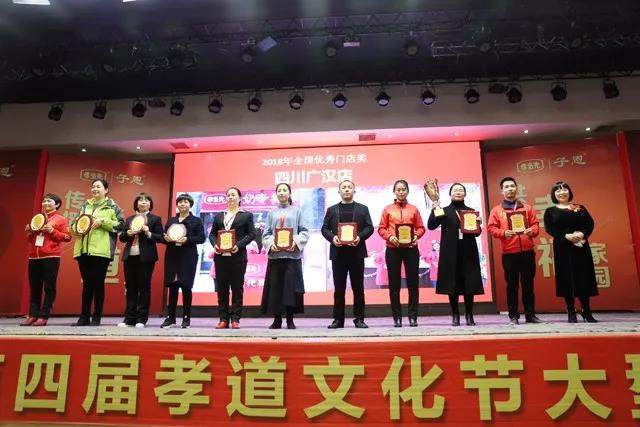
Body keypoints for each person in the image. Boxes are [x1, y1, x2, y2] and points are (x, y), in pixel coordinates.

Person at [427, 183, 484, 326]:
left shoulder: (471, 211)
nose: (458, 192)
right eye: (455, 190)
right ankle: (455, 314)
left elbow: (476, 233)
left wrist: (479, 224)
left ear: (465, 194)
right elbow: (431, 225)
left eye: (461, 190)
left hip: (468, 252)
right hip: (449, 252)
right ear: (450, 194)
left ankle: (469, 314)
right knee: (452, 283)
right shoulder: (444, 211)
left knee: (469, 283)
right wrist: (434, 209)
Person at [487, 177, 542, 325]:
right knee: (512, 285)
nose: (510, 189)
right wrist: (503, 233)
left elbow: (536, 225)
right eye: (506, 187)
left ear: (516, 188)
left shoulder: (527, 208)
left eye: (512, 186)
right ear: (502, 191)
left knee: (528, 285)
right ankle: (513, 315)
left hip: (527, 252)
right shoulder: (497, 210)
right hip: (509, 253)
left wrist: (531, 230)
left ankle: (530, 315)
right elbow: (491, 228)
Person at [321, 179, 374, 329]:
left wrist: (359, 237)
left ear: (354, 191)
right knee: (339, 289)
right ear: (339, 191)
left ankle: (359, 319)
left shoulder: (363, 209)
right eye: (343, 187)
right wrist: (333, 238)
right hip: (338, 254)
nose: (346, 189)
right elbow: (324, 228)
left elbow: (370, 227)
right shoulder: (332, 210)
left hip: (357, 253)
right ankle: (338, 320)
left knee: (358, 288)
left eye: (349, 187)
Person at [71, 179, 124, 326]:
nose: (95, 189)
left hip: (101, 251)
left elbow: (121, 225)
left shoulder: (113, 206)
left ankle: (96, 316)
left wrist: (103, 222)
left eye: (98, 187)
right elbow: (74, 223)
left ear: (106, 190)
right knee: (87, 284)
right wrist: (77, 228)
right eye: (93, 187)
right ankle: (84, 317)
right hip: (83, 250)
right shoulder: (85, 205)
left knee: (98, 284)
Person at [543, 181, 599, 323]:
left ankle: (587, 311)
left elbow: (589, 223)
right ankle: (571, 311)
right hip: (562, 248)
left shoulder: (580, 208)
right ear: (553, 194)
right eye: (558, 190)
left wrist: (583, 233)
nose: (562, 192)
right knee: (566, 278)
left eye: (564, 189)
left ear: (569, 192)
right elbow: (549, 228)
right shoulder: (550, 211)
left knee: (583, 277)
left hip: (580, 246)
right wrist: (565, 235)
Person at [378, 179, 426, 327]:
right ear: (394, 191)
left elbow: (421, 228)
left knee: (413, 283)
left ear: (407, 191)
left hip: (411, 249)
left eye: (403, 189)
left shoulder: (414, 209)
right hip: (393, 249)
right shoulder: (387, 209)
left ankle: (413, 317)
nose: (401, 192)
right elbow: (381, 228)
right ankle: (397, 317)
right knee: (394, 284)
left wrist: (416, 236)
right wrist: (390, 237)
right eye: (398, 189)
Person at [261, 183, 309, 329]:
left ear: (289, 193)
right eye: (279, 191)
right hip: (276, 257)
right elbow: (266, 234)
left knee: (290, 289)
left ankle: (290, 319)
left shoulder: (297, 211)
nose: (282, 193)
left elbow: (304, 231)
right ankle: (277, 320)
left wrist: (294, 242)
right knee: (275, 289)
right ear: (276, 194)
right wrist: (271, 244)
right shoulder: (271, 213)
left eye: (284, 190)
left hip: (292, 257)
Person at [208, 187, 256, 329]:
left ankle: (235, 319)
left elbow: (251, 234)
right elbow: (212, 234)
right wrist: (215, 245)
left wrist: (239, 245)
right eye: (228, 195)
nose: (230, 197)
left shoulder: (246, 215)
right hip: (221, 257)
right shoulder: (219, 216)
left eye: (233, 195)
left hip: (238, 257)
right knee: (222, 289)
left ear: (239, 198)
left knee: (237, 288)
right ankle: (223, 319)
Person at [22, 193, 71, 326]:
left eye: (49, 201)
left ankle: (44, 316)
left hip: (51, 256)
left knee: (49, 287)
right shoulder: (38, 218)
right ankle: (33, 314)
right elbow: (31, 239)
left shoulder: (61, 219)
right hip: (34, 256)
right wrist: (30, 231)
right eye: (44, 201)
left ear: (57, 204)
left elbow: (67, 237)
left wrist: (52, 231)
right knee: (35, 287)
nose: (46, 203)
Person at [118, 193, 164, 328]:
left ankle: (141, 318)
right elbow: (122, 238)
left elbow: (161, 238)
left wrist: (149, 233)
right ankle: (129, 318)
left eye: (146, 200)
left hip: (146, 257)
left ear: (150, 204)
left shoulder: (155, 219)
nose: (143, 202)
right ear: (136, 204)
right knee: (130, 287)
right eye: (140, 200)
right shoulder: (130, 219)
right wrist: (128, 234)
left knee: (144, 288)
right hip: (129, 256)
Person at [161, 193, 205, 329]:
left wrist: (187, 239)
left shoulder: (196, 221)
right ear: (177, 204)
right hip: (172, 256)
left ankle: (186, 318)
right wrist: (165, 238)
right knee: (172, 287)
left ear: (190, 204)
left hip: (188, 257)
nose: (182, 204)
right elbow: (164, 236)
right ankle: (171, 318)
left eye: (186, 202)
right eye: (180, 202)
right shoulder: (171, 221)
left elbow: (201, 238)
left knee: (186, 287)